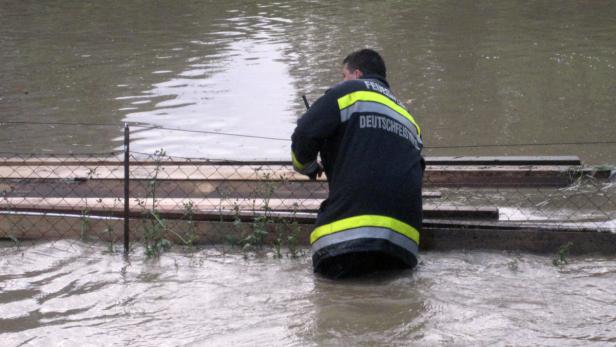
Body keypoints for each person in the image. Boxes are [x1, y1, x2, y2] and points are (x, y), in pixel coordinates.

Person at [291, 48, 424, 278]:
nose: (341, 81)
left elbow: (304, 133)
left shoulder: (348, 92)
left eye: (343, 75)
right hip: (403, 246)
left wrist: (308, 166)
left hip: (344, 240)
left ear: (356, 74)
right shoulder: (409, 119)